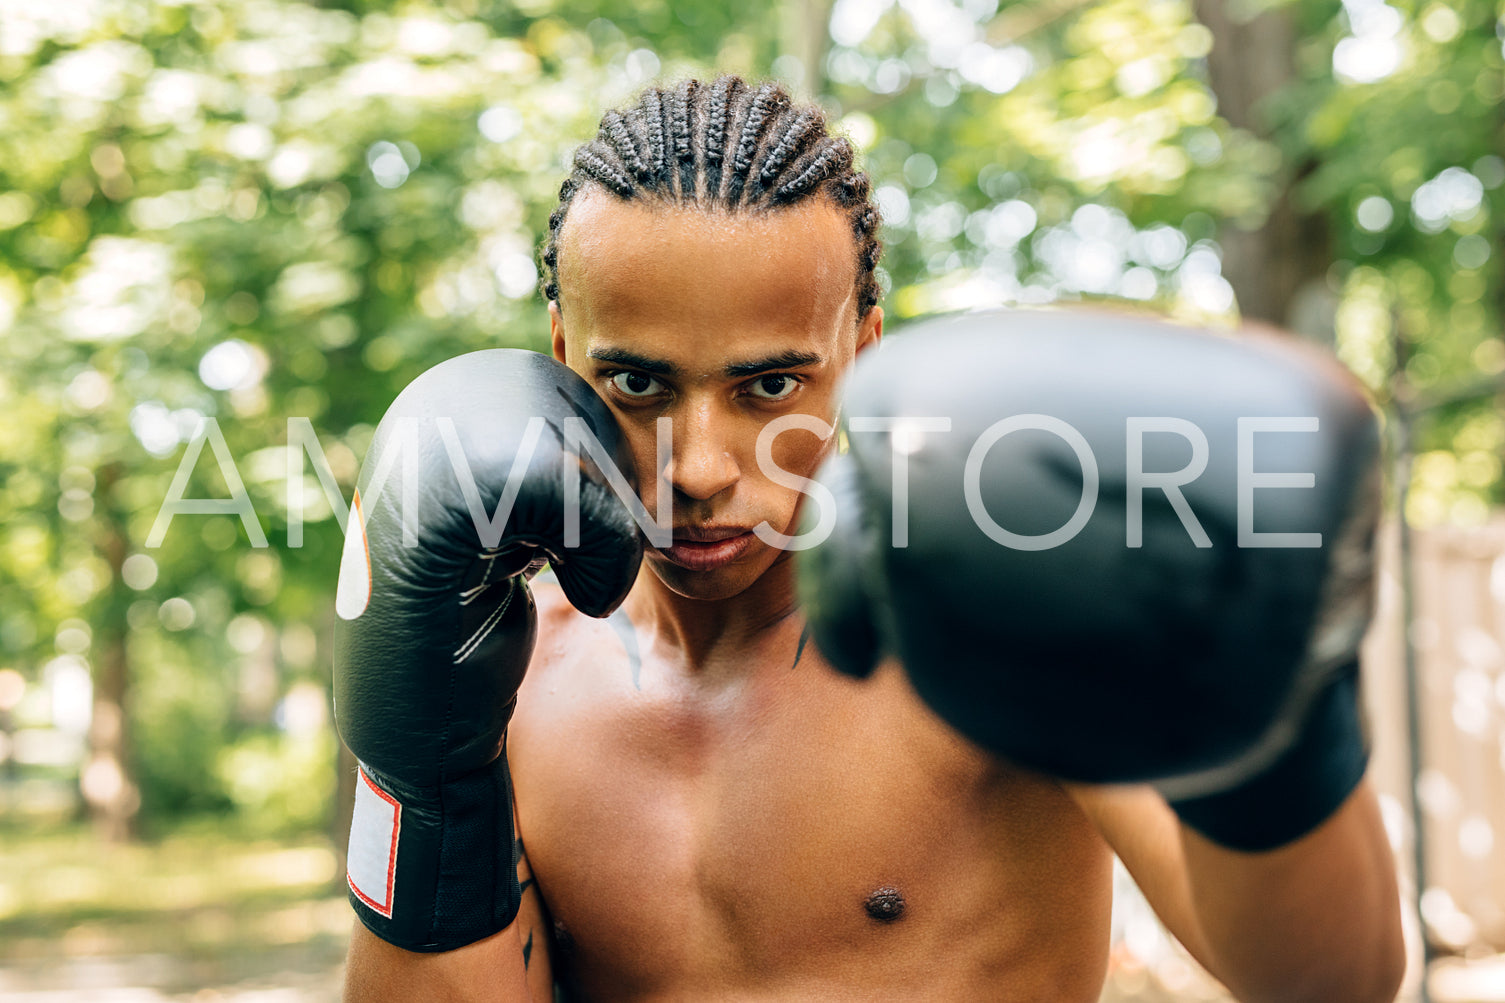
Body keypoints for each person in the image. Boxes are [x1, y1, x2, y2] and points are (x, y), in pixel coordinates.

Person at [336, 75, 1406, 1002]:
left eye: (767, 384)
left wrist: (1273, 734)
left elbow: (1329, 984)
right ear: (563, 351)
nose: (700, 466)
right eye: (636, 382)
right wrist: (421, 784)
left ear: (860, 348)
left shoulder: (978, 620)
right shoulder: (505, 663)